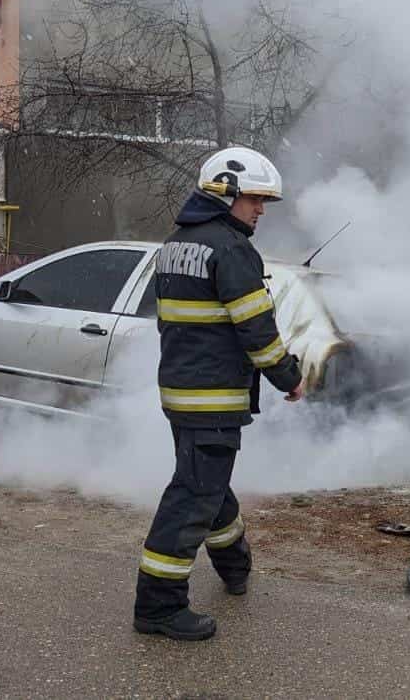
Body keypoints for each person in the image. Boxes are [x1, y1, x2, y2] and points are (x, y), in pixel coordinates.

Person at [134, 147, 304, 641]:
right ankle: (158, 606)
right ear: (225, 193)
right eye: (254, 199)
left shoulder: (176, 244)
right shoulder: (230, 250)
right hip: (211, 400)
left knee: (207, 485)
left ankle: (235, 566)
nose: (260, 210)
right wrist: (288, 376)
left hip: (182, 395)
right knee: (193, 495)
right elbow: (257, 330)